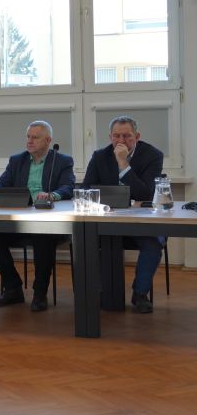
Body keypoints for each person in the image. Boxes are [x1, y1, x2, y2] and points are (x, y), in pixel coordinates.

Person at [0, 120, 75, 312]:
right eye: (28, 137)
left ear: (48, 140)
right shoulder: (17, 160)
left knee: (42, 238)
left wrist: (52, 195)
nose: (29, 141)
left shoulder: (62, 161)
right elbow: (1, 183)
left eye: (35, 137)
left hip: (48, 222)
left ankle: (39, 293)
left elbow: (68, 187)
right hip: (20, 220)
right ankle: (13, 288)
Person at [81, 116, 164, 314]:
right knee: (88, 240)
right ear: (110, 137)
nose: (121, 141)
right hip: (107, 218)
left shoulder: (152, 155)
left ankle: (140, 293)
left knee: (153, 245)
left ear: (137, 136)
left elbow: (146, 194)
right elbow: (86, 189)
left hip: (141, 219)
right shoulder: (99, 156)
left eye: (126, 136)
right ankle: (101, 292)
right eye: (116, 136)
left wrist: (123, 164)